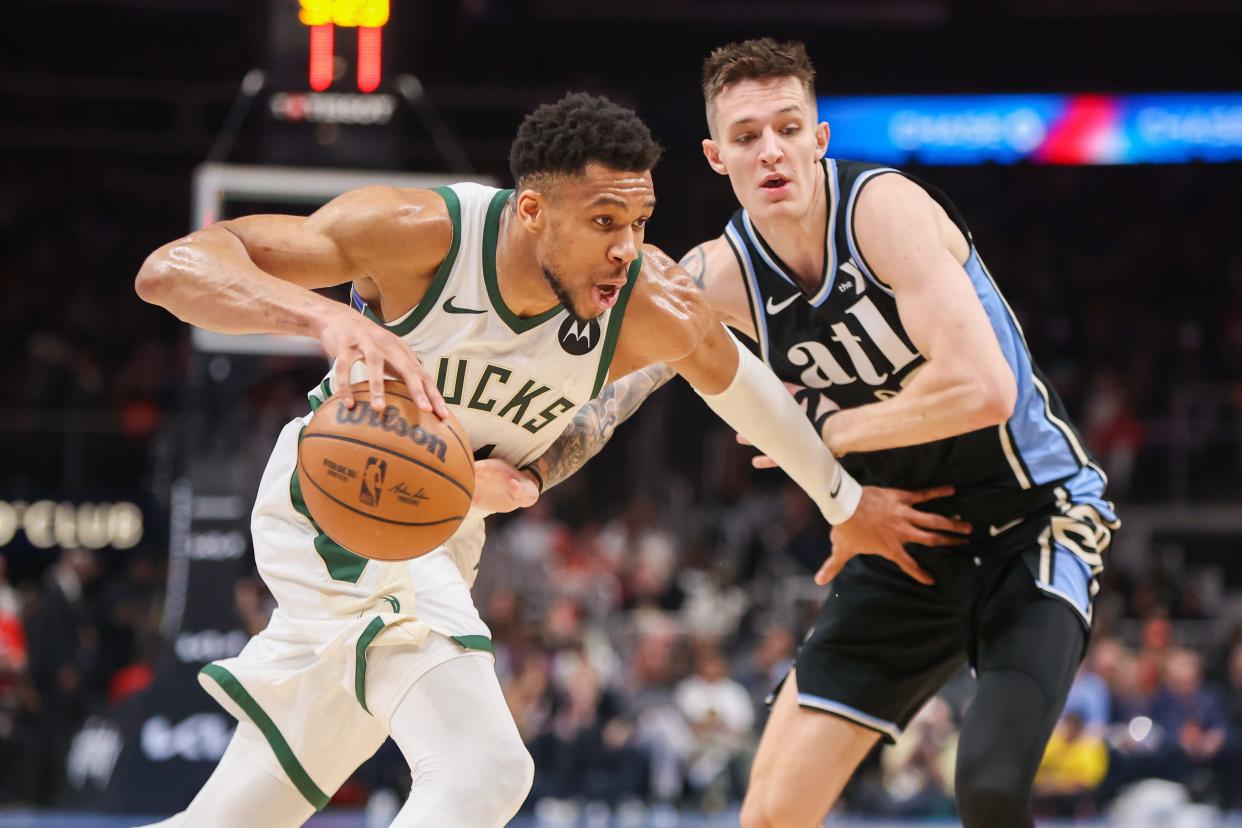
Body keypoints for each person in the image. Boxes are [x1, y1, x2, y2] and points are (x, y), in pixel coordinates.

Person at [133, 91, 917, 828]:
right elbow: (171, 271)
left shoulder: (648, 299)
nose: (626, 248)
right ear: (533, 210)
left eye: (640, 221)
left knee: (249, 806)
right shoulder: (420, 234)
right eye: (605, 220)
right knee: (484, 772)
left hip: (442, 533)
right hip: (345, 500)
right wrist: (325, 320)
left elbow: (746, 392)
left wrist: (846, 503)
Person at [508, 39, 1120, 827]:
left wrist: (830, 430)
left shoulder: (883, 211)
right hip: (903, 537)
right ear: (715, 157)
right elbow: (609, 395)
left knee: (991, 789)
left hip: (1033, 516)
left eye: (788, 128)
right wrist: (519, 473)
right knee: (769, 813)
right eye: (747, 135)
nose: (771, 151)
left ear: (819, 138)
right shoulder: (716, 278)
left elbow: (983, 388)